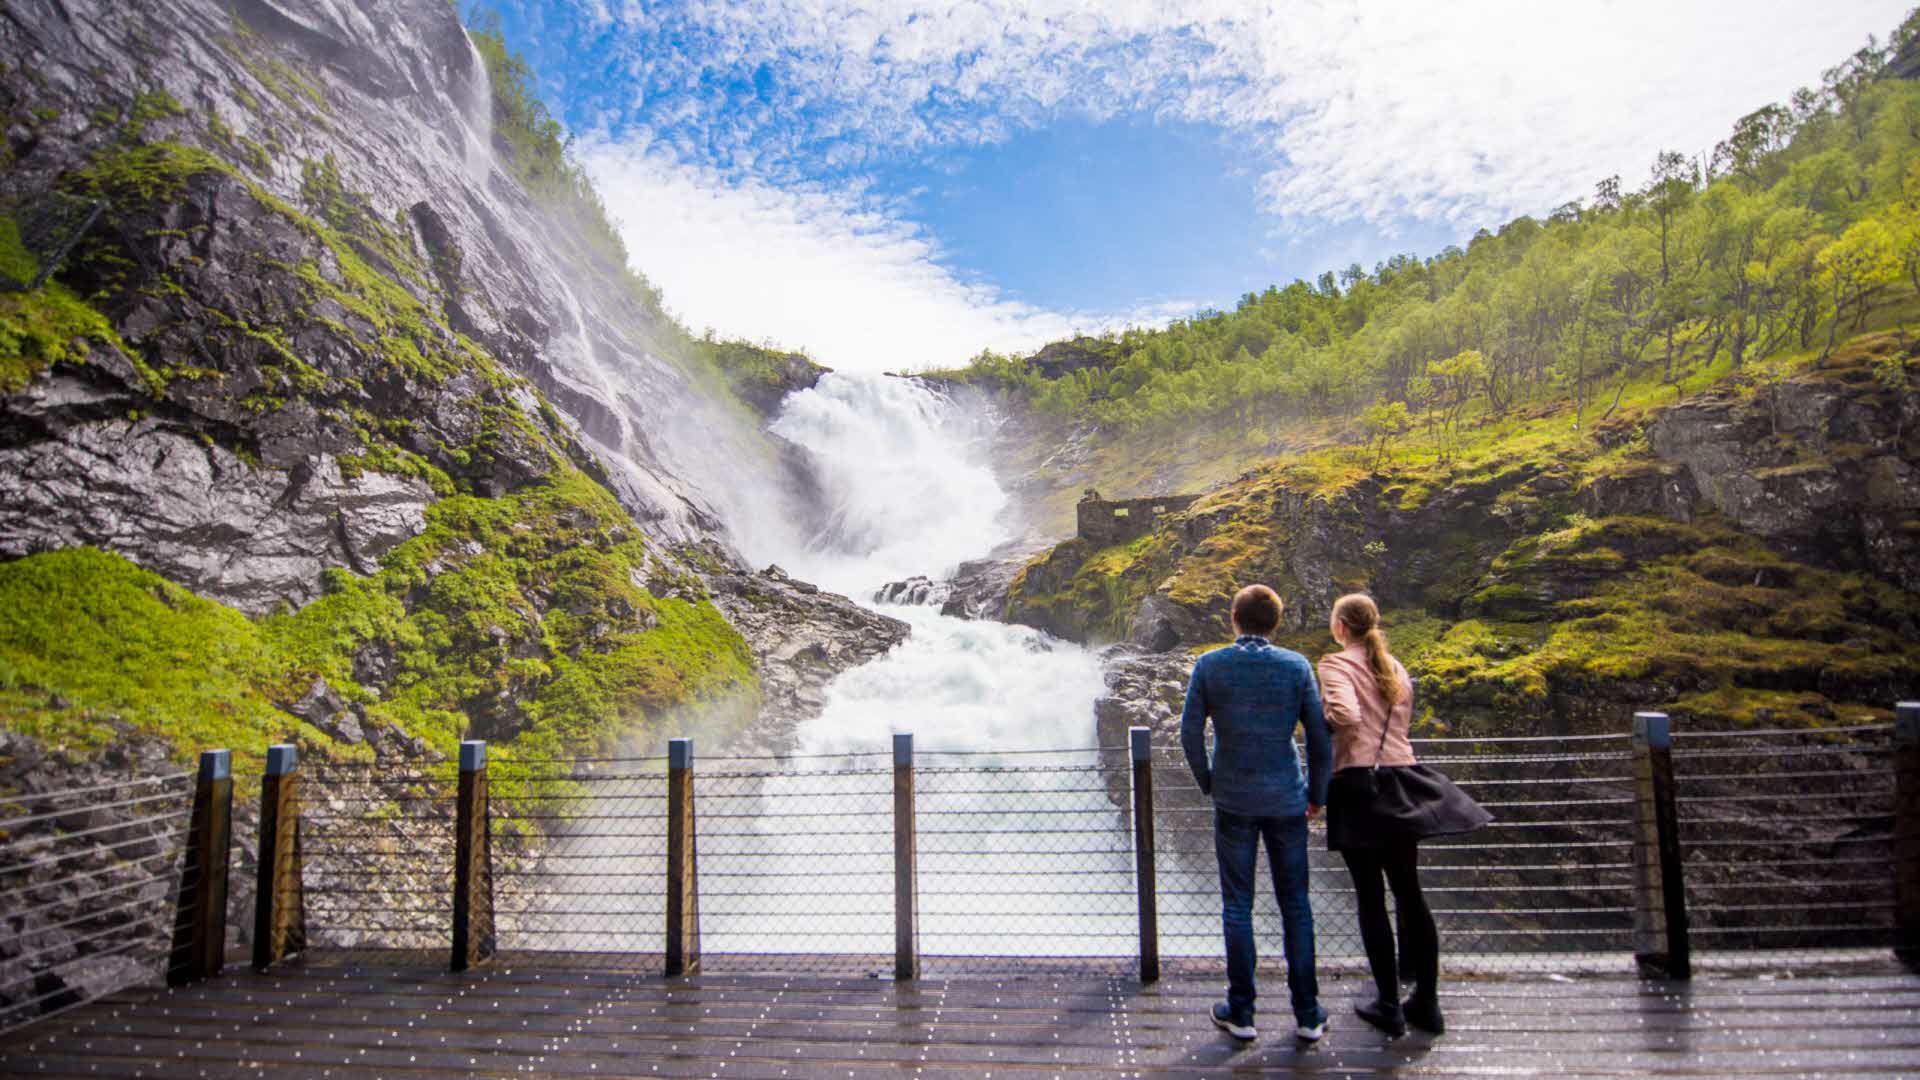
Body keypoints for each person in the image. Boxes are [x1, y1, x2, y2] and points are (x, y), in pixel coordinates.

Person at [1319, 593, 1490, 1038]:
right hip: (1402, 781)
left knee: (1371, 898)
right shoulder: (1394, 666)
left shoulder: (1336, 665)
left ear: (1341, 626)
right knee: (1409, 893)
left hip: (1358, 785)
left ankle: (1389, 1003)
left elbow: (1344, 714)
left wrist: (1320, 721)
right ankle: (1428, 1003)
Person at [1180, 583, 1332, 1043]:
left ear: (1234, 618)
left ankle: (1241, 1011)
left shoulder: (1210, 665)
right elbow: (1321, 739)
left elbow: (1189, 733)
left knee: (1237, 905)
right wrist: (1317, 794)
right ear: (1276, 621)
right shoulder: (1296, 666)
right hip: (1287, 797)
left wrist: (1209, 781)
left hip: (1233, 799)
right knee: (1296, 906)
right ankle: (1307, 1013)